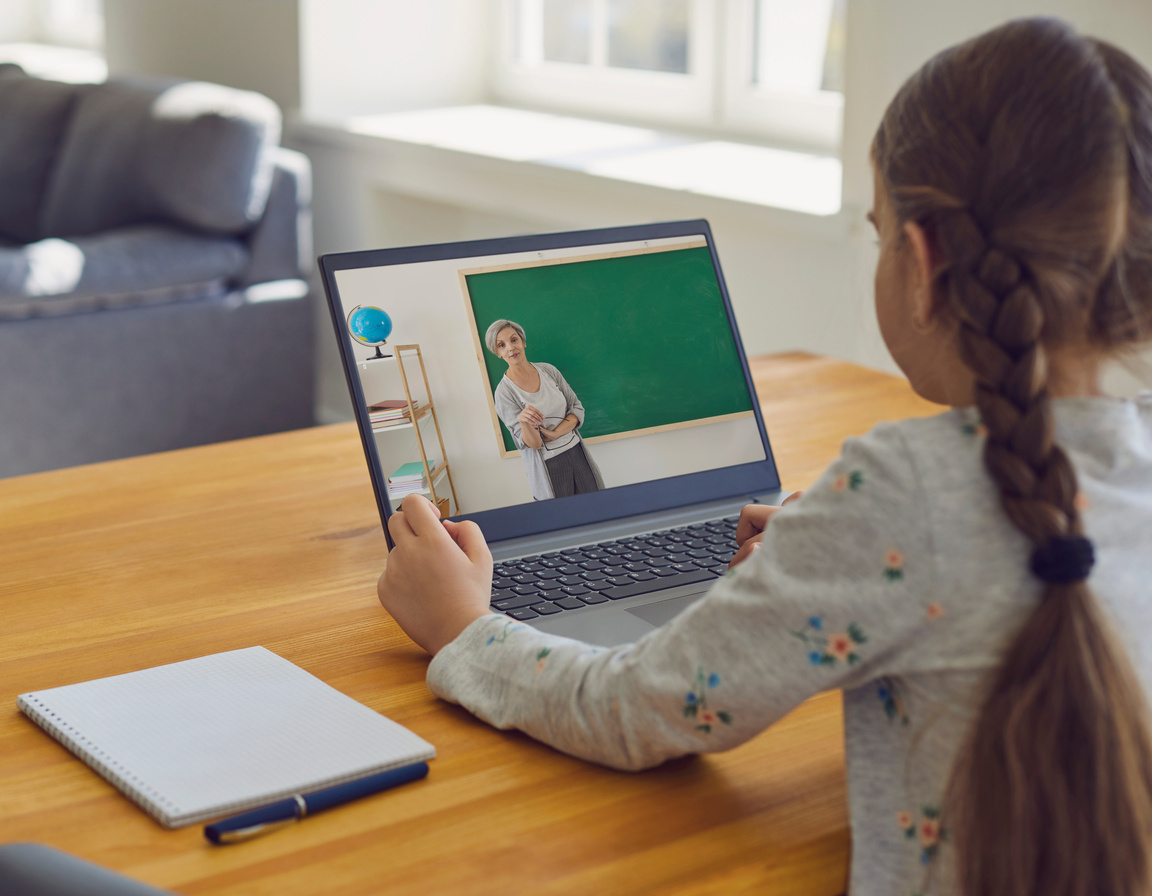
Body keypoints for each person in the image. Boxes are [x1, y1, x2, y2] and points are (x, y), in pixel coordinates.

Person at [378, 18, 1152, 896]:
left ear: (924, 262)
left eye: (878, 231)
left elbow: (634, 710)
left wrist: (463, 629)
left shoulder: (902, 492)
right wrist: (831, 544)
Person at [486, 318, 604, 500]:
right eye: (501, 345)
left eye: (514, 340)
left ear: (523, 342)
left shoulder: (548, 371)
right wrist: (523, 421)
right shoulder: (504, 393)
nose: (510, 348)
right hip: (549, 467)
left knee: (598, 508)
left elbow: (576, 408)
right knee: (563, 522)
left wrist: (556, 433)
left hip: (577, 453)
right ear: (498, 353)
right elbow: (533, 444)